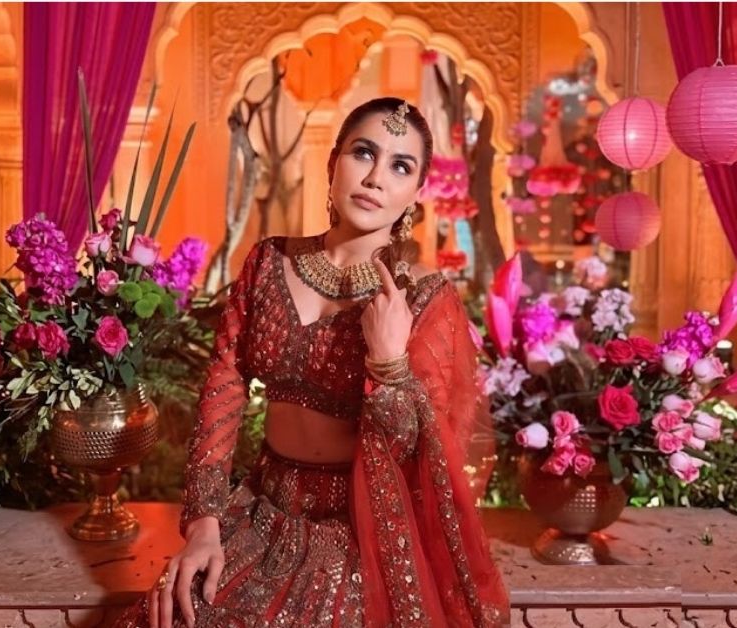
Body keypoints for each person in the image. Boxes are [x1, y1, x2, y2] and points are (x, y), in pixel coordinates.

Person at [124, 97, 509, 627]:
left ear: (416, 194)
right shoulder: (268, 262)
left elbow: (422, 452)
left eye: (400, 166)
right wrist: (205, 523)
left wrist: (390, 363)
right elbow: (224, 387)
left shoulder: (422, 298)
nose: (376, 178)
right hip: (262, 509)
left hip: (359, 532)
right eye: (363, 153)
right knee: (174, 613)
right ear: (333, 164)